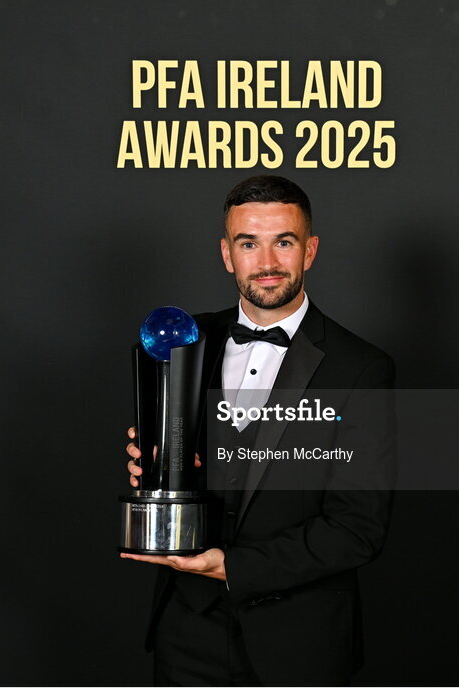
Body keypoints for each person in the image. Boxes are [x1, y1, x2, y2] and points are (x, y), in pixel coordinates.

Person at [121, 175, 396, 686]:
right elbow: (174, 457)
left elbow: (357, 529)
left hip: (299, 642)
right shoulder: (184, 340)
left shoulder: (361, 368)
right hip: (187, 632)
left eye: (283, 242)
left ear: (309, 250)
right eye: (249, 243)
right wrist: (155, 467)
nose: (266, 263)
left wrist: (233, 567)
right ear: (227, 254)